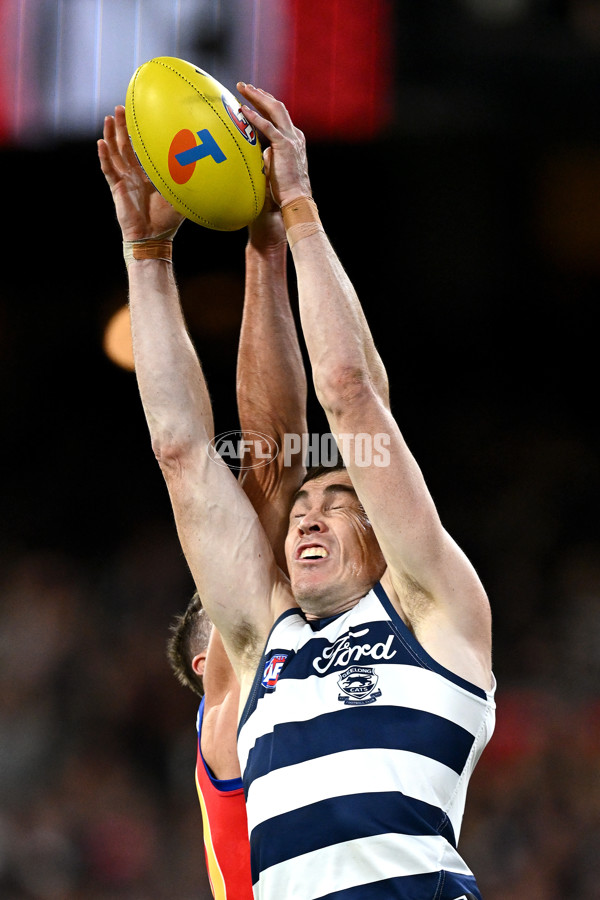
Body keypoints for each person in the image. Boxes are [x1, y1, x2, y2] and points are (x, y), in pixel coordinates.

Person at [101, 83, 495, 899]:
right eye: (302, 514)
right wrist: (147, 258)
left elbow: (348, 392)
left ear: (387, 536)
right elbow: (182, 452)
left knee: (344, 407)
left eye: (339, 504)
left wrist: (297, 206)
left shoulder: (436, 610)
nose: (307, 517)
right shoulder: (257, 647)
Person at [98, 107, 307, 900]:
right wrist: (150, 257)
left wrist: (261, 243)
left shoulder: (335, 655)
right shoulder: (240, 691)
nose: (266, 566)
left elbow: (272, 466)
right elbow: (208, 459)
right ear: (203, 663)